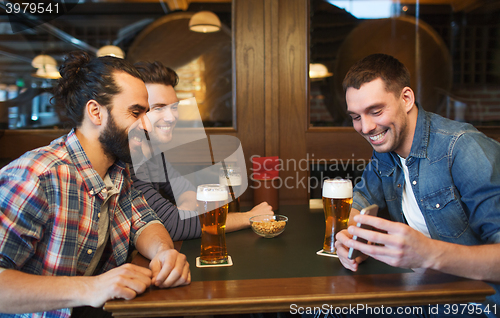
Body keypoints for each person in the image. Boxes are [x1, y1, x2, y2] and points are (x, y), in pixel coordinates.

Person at [0, 51, 190, 318]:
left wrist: (163, 253)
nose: (147, 125)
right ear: (95, 112)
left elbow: (145, 221)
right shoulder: (36, 176)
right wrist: (92, 287)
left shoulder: (117, 169)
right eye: (136, 112)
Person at [335, 53, 500, 316]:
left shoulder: (463, 148)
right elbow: (363, 197)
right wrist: (352, 237)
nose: (365, 127)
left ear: (407, 98)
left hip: (479, 303)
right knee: (320, 309)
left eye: (375, 111)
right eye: (355, 116)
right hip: (423, 291)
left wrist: (427, 253)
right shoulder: (384, 151)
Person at [129, 61, 273, 241]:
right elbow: (174, 227)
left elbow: (186, 191)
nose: (171, 116)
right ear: (138, 110)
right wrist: (249, 217)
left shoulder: (153, 153)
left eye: (174, 107)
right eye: (159, 108)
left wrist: (185, 216)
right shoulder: (129, 162)